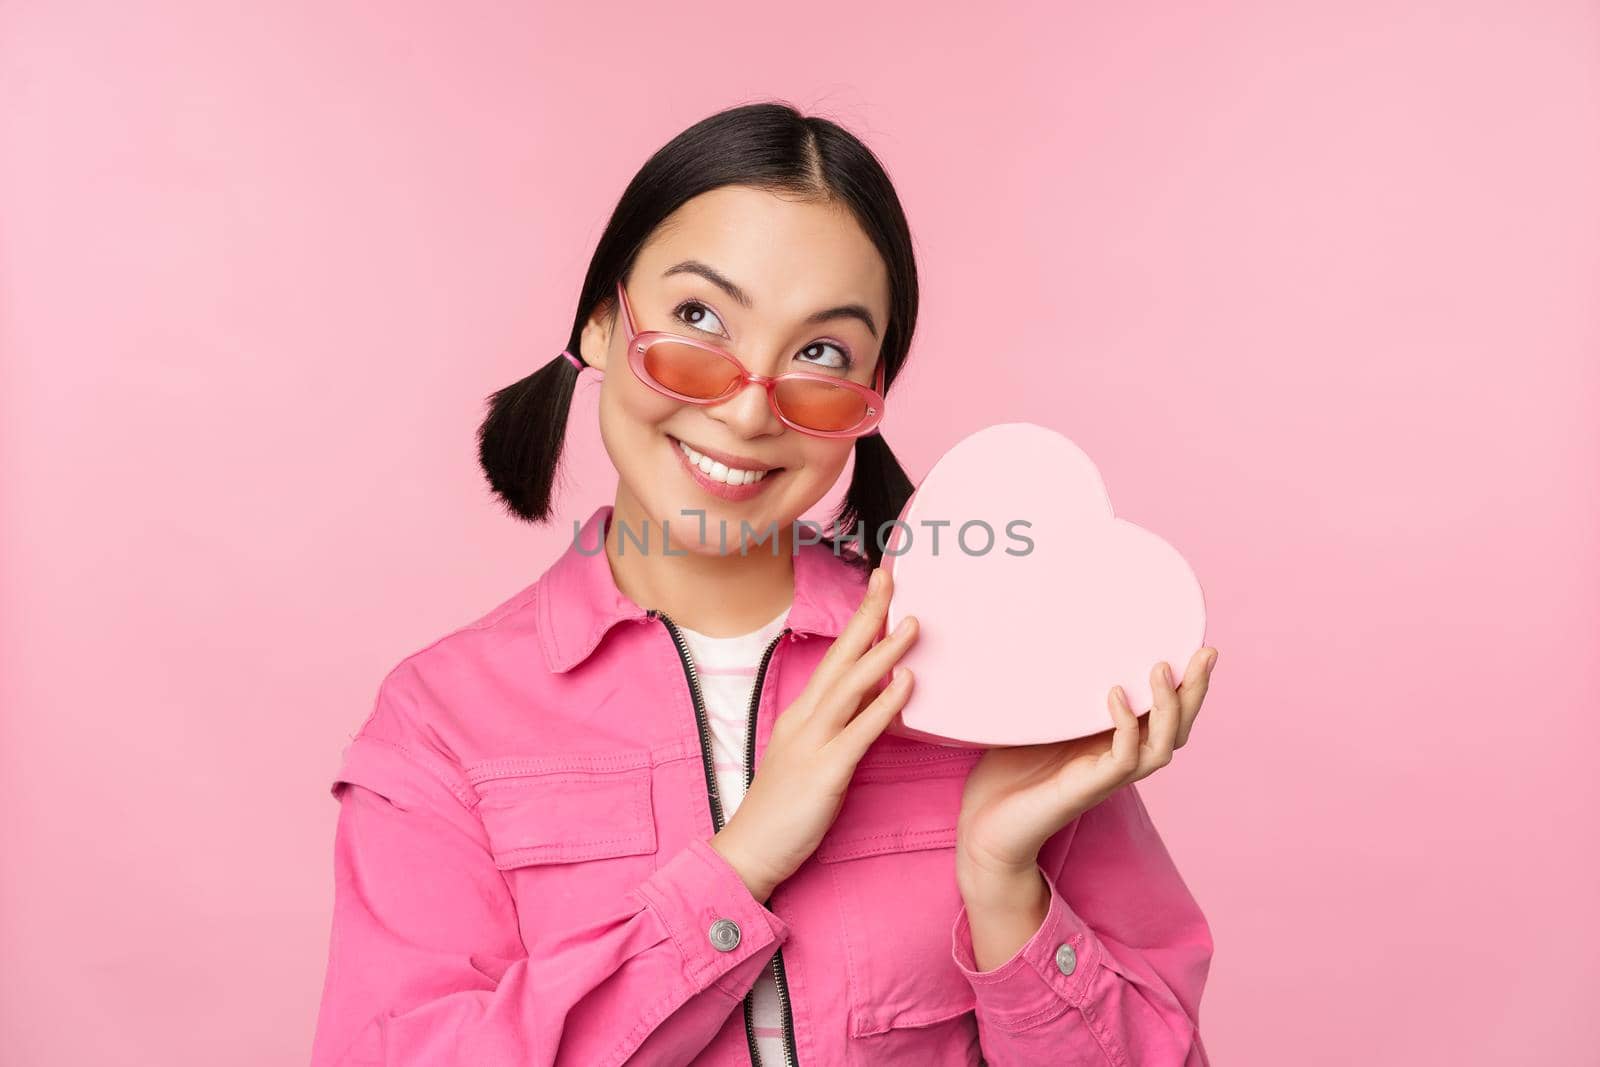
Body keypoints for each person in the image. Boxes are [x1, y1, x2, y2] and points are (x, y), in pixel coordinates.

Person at [309, 100, 1219, 1067]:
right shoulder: (442, 721)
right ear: (604, 325)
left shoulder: (995, 667)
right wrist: (741, 863)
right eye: (699, 318)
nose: (748, 410)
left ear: (869, 400)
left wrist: (1006, 887)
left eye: (821, 353)